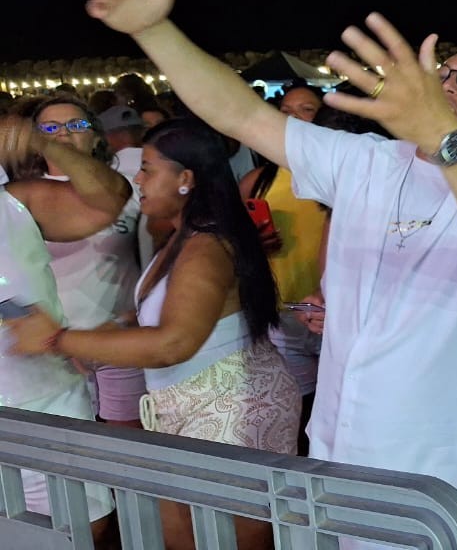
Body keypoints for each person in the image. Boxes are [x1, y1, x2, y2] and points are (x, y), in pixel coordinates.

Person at [84, 0, 457, 543]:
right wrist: (154, 30)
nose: (447, 87)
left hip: (433, 487)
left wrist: (443, 136)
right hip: (332, 466)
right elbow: (242, 115)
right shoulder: (368, 162)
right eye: (440, 78)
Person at [12, 117, 301, 550]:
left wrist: (61, 339)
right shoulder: (185, 235)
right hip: (191, 406)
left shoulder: (206, 246)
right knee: (182, 536)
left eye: (148, 169)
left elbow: (173, 342)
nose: (139, 179)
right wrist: (106, 335)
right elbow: (151, 316)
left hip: (233, 410)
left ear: (185, 178)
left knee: (225, 540)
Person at [0, 114, 130, 543]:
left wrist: (46, 143)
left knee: (80, 525)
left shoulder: (14, 201)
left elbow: (110, 200)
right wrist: (13, 309)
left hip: (45, 398)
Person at [30, 98, 147, 429]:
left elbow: (161, 257)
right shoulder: (20, 198)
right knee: (68, 455)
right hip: (52, 348)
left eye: (76, 125)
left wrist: (131, 318)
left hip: (121, 338)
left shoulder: (128, 190)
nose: (64, 134)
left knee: (128, 454)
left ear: (97, 136)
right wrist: (52, 336)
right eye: (50, 128)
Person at [238, 82, 328, 454]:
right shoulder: (257, 182)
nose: (292, 117)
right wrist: (252, 244)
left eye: (305, 109)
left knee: (333, 412)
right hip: (282, 315)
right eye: (286, 109)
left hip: (331, 315)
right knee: (295, 412)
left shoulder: (337, 176)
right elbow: (229, 246)